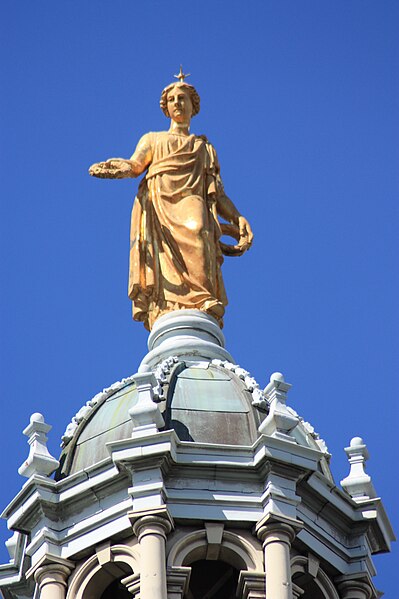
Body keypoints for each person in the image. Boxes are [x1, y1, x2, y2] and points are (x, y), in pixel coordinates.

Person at [89, 73, 253, 330]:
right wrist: (120, 167)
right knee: (162, 256)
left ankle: (202, 299)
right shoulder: (153, 139)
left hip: (190, 197)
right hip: (159, 202)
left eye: (182, 98)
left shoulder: (202, 147)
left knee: (198, 231)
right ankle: (168, 305)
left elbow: (217, 193)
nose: (177, 103)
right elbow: (136, 165)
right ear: (165, 108)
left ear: (193, 105)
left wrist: (237, 217)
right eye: (172, 99)